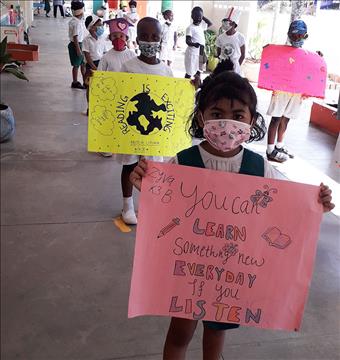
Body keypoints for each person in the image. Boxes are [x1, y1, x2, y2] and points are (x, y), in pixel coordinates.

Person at [129, 70, 335, 360]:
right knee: (180, 333)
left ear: (251, 121)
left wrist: (317, 203)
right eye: (217, 113)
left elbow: (290, 205)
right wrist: (145, 184)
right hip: (189, 270)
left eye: (238, 115)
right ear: (201, 118)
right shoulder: (182, 162)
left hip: (230, 277)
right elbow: (163, 206)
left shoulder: (260, 167)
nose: (228, 124)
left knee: (216, 334)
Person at [117, 17, 173, 225]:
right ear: (138, 39)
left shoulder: (166, 71)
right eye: (145, 37)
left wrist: (190, 88)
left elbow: (171, 101)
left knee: (154, 167)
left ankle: (150, 204)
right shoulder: (128, 67)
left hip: (155, 131)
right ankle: (127, 205)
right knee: (130, 165)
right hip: (132, 127)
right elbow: (120, 97)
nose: (150, 41)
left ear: (160, 39)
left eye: (155, 37)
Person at [266, 20, 310, 162]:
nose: (296, 39)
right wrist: (268, 51)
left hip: (296, 91)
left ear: (305, 36)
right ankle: (270, 150)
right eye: (294, 35)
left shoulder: (307, 55)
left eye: (300, 36)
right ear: (289, 35)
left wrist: (318, 59)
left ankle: (279, 145)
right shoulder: (280, 53)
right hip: (281, 90)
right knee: (276, 118)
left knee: (287, 117)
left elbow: (310, 72)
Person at [94, 17, 136, 157]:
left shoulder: (132, 55)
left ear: (126, 37)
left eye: (121, 36)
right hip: (111, 94)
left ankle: (122, 145)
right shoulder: (106, 57)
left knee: (125, 120)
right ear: (110, 37)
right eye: (115, 36)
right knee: (110, 120)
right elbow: (100, 75)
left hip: (127, 94)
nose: (118, 38)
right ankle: (106, 146)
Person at [83, 15, 105, 111]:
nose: (101, 28)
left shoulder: (101, 38)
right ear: (91, 27)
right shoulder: (86, 40)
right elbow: (87, 56)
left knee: (100, 86)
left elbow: (105, 53)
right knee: (90, 86)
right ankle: (89, 107)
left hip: (101, 63)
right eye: (99, 25)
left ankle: (98, 106)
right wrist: (94, 67)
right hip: (91, 65)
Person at [184, 6, 212, 80]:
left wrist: (202, 16)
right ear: (192, 16)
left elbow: (210, 23)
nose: (199, 18)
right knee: (189, 73)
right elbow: (187, 41)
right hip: (192, 54)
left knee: (199, 71)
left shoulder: (201, 26)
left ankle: (197, 88)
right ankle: (184, 88)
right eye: (197, 15)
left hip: (201, 53)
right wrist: (194, 44)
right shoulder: (190, 28)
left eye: (200, 16)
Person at [216, 7, 245, 75]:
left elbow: (243, 55)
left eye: (228, 22)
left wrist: (237, 66)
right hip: (223, 67)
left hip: (235, 68)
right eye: (224, 21)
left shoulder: (240, 37)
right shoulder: (220, 37)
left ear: (234, 24)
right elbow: (218, 53)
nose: (225, 24)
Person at [68, 1, 86, 89]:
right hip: (76, 45)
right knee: (76, 65)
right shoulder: (76, 23)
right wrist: (78, 49)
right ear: (80, 12)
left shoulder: (75, 21)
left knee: (82, 64)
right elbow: (75, 37)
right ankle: (75, 82)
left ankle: (85, 81)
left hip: (79, 44)